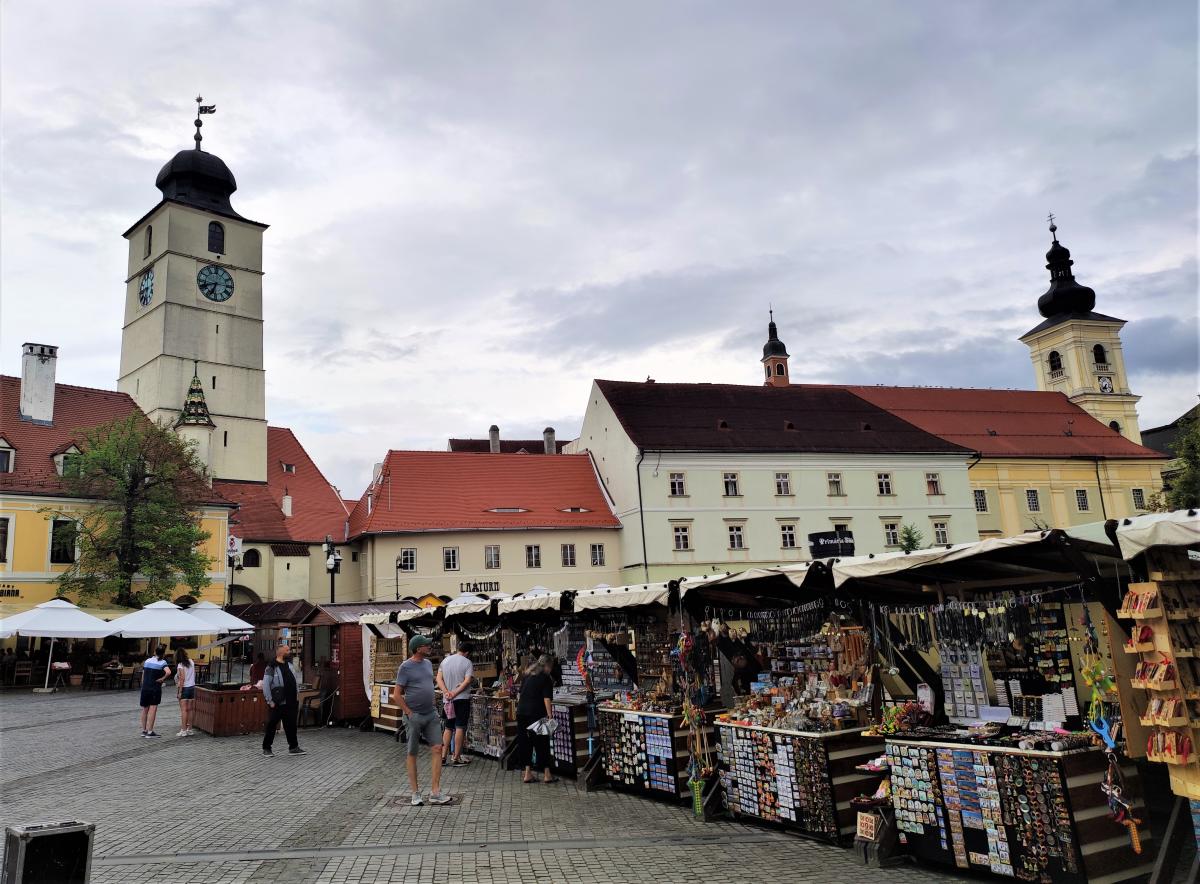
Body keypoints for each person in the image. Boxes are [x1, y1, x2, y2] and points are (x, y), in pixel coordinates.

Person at [394, 636, 451, 806]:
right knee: (413, 752)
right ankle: (415, 793)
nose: (430, 647)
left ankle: (435, 792)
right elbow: (397, 695)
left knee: (437, 748)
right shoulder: (405, 667)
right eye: (426, 645)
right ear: (418, 648)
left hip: (431, 714)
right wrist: (409, 713)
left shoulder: (427, 664)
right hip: (415, 715)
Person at [516, 654, 558, 784]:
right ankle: (547, 774)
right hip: (536, 713)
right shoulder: (545, 678)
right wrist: (550, 715)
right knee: (541, 743)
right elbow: (546, 698)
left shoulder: (528, 675)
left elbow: (520, 693)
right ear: (548, 666)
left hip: (522, 712)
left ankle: (527, 773)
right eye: (551, 667)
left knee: (526, 742)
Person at [261, 643, 305, 757]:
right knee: (272, 725)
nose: (289, 652)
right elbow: (266, 684)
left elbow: (294, 680)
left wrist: (297, 695)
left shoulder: (289, 665)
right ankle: (266, 748)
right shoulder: (271, 667)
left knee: (291, 725)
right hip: (277, 703)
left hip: (291, 702)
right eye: (287, 650)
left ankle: (293, 747)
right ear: (281, 652)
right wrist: (269, 701)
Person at [436, 642, 474, 766]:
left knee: (448, 727)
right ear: (467, 653)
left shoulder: (445, 661)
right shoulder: (467, 663)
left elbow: (438, 679)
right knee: (460, 727)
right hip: (461, 699)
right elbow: (467, 681)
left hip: (448, 700)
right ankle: (456, 758)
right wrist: (455, 692)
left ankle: (442, 757)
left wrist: (446, 692)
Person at [139, 645, 173, 738]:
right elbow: (169, 672)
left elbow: (143, 674)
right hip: (154, 688)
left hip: (145, 687)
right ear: (163, 653)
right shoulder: (162, 662)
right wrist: (162, 679)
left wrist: (143, 684)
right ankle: (150, 732)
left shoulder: (147, 661)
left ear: (154, 652)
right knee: (153, 709)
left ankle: (144, 730)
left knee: (145, 709)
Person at [175, 649, 197, 736]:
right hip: (192, 687)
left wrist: (180, 692)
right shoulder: (191, 661)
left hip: (185, 688)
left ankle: (183, 730)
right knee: (190, 710)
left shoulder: (180, 665)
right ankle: (190, 729)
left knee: (184, 710)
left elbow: (182, 678)